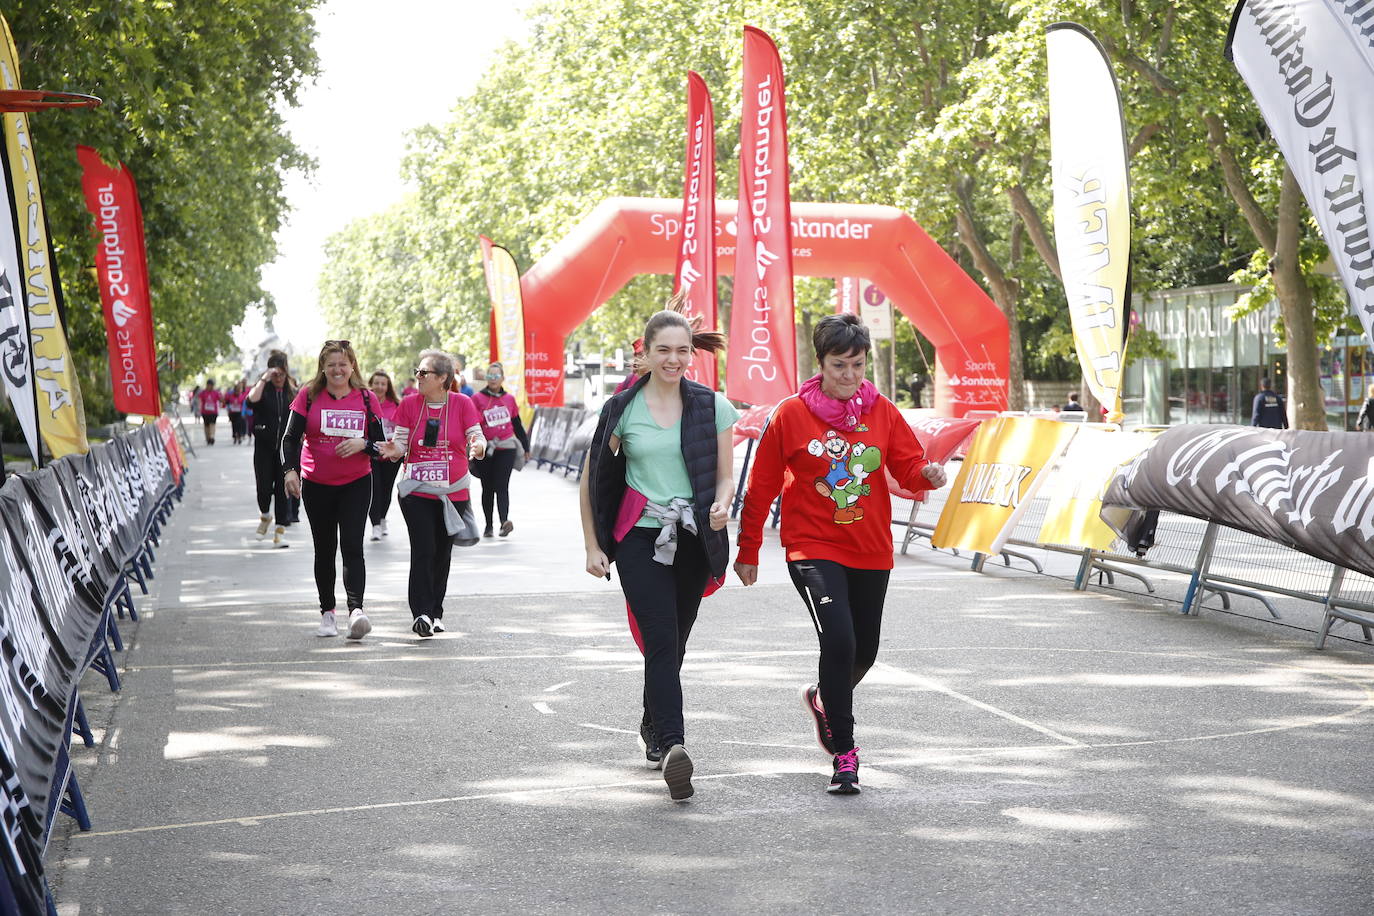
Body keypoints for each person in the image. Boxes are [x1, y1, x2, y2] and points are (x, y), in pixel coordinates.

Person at [734, 313, 947, 796]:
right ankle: (846, 756)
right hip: (812, 546)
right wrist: (747, 549)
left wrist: (927, 477)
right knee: (841, 640)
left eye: (856, 364)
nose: (849, 375)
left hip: (870, 548)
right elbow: (762, 485)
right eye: (838, 365)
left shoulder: (882, 411)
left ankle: (824, 698)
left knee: (864, 650)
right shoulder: (790, 414)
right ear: (821, 363)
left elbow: (908, 467)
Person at [580, 298, 737, 802]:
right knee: (662, 637)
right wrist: (592, 545)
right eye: (663, 350)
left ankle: (652, 725)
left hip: (694, 535)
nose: (674, 359)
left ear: (693, 354)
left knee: (676, 640)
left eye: (683, 351)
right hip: (640, 537)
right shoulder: (621, 409)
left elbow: (726, 476)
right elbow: (592, 479)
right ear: (644, 355)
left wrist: (722, 505)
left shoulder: (711, 405)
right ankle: (674, 746)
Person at [281, 340, 386, 641]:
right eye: (332, 364)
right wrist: (291, 471)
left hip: (356, 482)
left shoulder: (366, 399)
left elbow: (381, 446)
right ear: (323, 367)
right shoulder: (308, 396)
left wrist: (362, 444)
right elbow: (289, 438)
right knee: (325, 549)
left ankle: (357, 612)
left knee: (353, 546)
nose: (338, 370)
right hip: (317, 484)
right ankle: (328, 613)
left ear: (352, 366)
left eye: (343, 364)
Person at [379, 350, 486, 638]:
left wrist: (478, 445)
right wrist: (394, 450)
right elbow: (400, 442)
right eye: (418, 371)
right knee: (424, 550)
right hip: (417, 492)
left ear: (442, 379)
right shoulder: (411, 405)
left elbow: (476, 434)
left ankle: (436, 611)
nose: (418, 376)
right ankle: (421, 613)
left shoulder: (462, 403)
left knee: (442, 553)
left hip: (454, 492)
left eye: (424, 373)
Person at [471, 362, 532, 538]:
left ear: (503, 379)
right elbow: (472, 425)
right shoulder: (477, 399)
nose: (493, 379)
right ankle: (488, 525)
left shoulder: (509, 399)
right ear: (486, 378)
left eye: (496, 376)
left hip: (506, 447)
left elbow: (517, 424)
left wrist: (526, 447)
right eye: (490, 375)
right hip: (485, 448)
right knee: (487, 487)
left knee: (502, 485)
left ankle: (504, 522)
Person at [248, 351, 297, 546]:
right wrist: (264, 378)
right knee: (263, 488)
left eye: (281, 374)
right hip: (264, 449)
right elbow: (251, 400)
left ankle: (280, 532)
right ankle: (265, 516)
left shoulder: (291, 391)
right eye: (275, 374)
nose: (278, 378)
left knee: (283, 491)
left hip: (286, 451)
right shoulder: (263, 390)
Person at [366, 370, 403, 541]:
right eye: (377, 383)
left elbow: (403, 429)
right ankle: (375, 525)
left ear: (388, 387)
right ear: (371, 385)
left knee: (387, 489)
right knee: (375, 489)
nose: (380, 387)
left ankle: (382, 518)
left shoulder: (396, 404)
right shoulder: (365, 404)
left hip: (391, 455)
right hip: (371, 454)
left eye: (383, 384)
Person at [199, 378, 222, 445]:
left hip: (213, 412)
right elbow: (200, 401)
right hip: (205, 412)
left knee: (212, 424)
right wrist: (199, 409)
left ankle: (212, 436)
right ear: (207, 385)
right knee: (206, 426)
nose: (211, 387)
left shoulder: (216, 393)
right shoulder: (203, 393)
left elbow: (220, 399)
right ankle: (207, 438)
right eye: (209, 385)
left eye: (212, 385)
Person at [226, 380, 247, 445]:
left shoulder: (242, 396)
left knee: (239, 425)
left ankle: (239, 436)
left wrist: (243, 413)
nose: (238, 392)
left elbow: (244, 405)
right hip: (232, 413)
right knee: (234, 425)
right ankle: (235, 436)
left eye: (239, 390)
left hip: (239, 413)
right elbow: (227, 403)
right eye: (237, 390)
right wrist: (229, 410)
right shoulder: (230, 395)